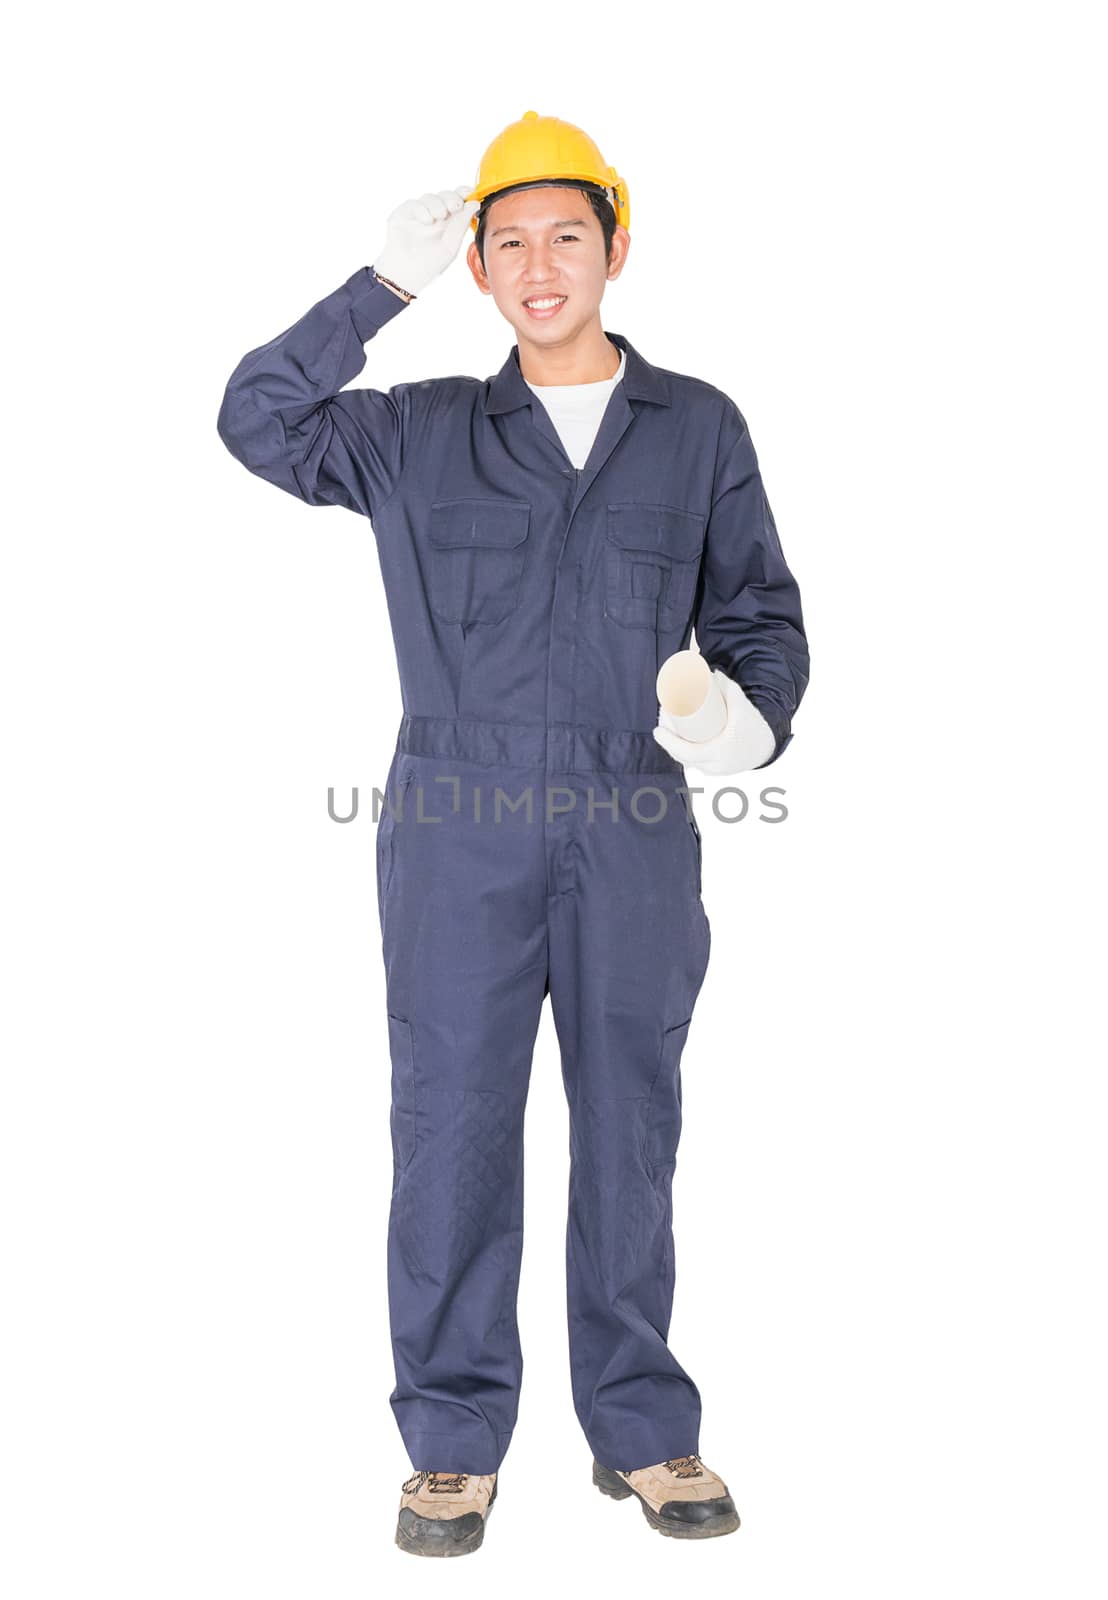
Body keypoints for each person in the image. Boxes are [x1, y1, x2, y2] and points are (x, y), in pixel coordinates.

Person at [217, 110, 809, 1557]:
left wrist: (742, 725)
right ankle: (454, 1439)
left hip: (634, 823)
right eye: (506, 243)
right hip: (457, 829)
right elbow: (256, 417)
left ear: (616, 246)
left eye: (566, 236)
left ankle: (643, 1430)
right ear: (476, 267)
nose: (540, 268)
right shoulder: (415, 432)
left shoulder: (699, 428)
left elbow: (761, 618)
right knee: (453, 1132)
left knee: (631, 1130)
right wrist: (377, 291)